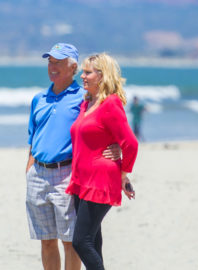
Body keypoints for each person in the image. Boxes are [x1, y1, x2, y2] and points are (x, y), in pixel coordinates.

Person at [26, 43, 120, 270]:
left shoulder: (85, 97)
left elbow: (108, 121)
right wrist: (28, 169)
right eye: (50, 61)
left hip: (67, 175)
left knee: (70, 243)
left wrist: (117, 146)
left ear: (74, 67)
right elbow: (32, 138)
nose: (52, 66)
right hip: (37, 175)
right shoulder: (38, 99)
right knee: (46, 241)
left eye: (58, 62)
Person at [66, 53, 139, 270]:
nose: (83, 76)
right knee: (93, 240)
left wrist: (123, 174)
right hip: (82, 180)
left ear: (102, 75)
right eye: (83, 71)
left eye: (88, 72)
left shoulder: (111, 104)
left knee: (81, 241)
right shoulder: (86, 104)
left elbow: (131, 143)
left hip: (100, 180)